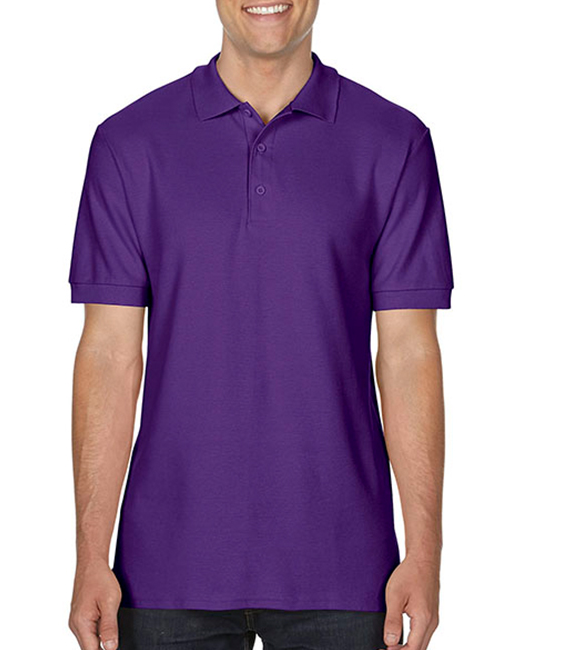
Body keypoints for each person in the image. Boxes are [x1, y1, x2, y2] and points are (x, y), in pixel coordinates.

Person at [67, 1, 454, 649]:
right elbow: (108, 354)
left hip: (346, 571)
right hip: (164, 570)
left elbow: (409, 355)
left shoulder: (394, 141)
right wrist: (89, 556)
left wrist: (425, 552)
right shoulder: (129, 143)